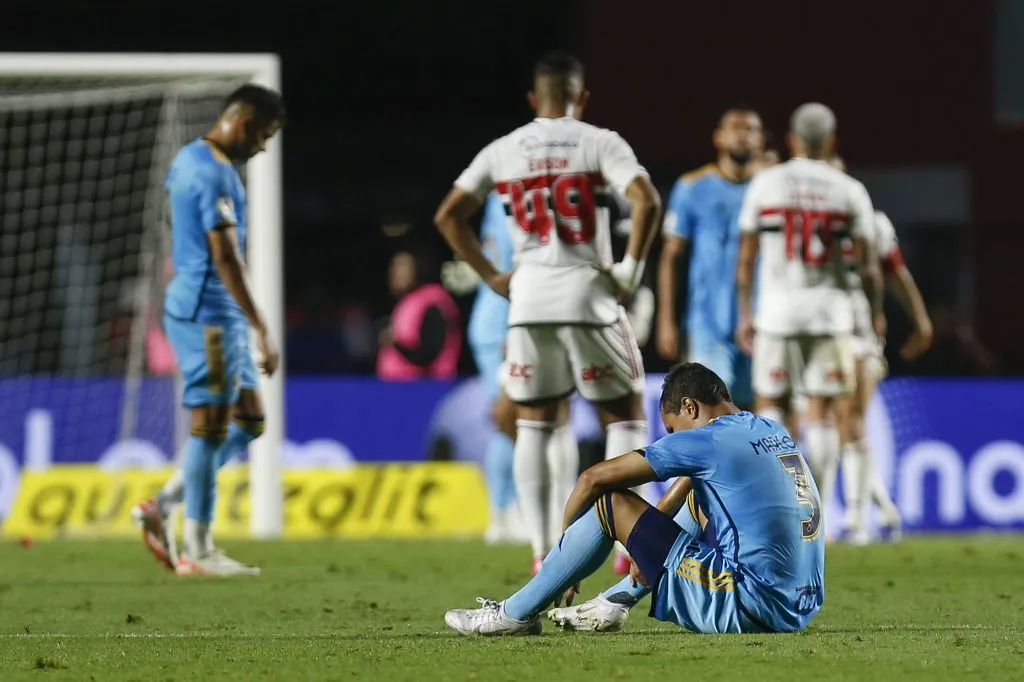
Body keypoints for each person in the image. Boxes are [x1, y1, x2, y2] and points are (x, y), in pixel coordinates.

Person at [434, 51, 661, 573]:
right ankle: (625, 547)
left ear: (533, 99)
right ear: (581, 97)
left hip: (529, 299)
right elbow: (646, 200)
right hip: (589, 294)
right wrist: (629, 269)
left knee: (535, 425)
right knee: (623, 414)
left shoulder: (504, 148)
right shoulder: (600, 141)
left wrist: (493, 276)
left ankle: (541, 551)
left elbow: (448, 215)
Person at [443, 362, 824, 636]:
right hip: (799, 605)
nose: (675, 437)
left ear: (690, 407)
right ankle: (614, 602)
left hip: (746, 606)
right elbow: (693, 483)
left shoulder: (707, 439)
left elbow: (592, 479)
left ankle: (513, 615)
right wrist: (646, 548)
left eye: (674, 429)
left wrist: (564, 565)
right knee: (699, 499)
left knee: (611, 503)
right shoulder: (768, 428)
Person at [130, 84, 286, 575]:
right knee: (212, 426)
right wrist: (262, 325)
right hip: (206, 314)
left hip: (217, 312)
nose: (263, 146)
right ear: (243, 123)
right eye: (264, 134)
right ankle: (198, 549)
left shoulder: (189, 159)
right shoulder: (214, 175)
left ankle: (165, 502)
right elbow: (224, 256)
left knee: (251, 420)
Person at [735, 103, 883, 539]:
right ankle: (820, 514)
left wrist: (746, 312)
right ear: (832, 142)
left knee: (771, 407)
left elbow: (746, 259)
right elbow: (871, 269)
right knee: (824, 413)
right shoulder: (849, 189)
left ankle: (776, 512)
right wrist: (872, 316)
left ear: (791, 138)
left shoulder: (766, 184)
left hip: (777, 315)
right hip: (831, 316)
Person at [828, 159, 932, 542]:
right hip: (822, 330)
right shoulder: (810, 221)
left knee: (850, 418)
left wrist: (920, 320)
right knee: (839, 424)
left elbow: (895, 274)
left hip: (861, 333)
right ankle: (880, 506)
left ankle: (857, 518)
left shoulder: (872, 222)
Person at [656, 108, 765, 408]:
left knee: (765, 413)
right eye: (735, 127)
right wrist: (665, 319)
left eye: (751, 128)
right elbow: (670, 256)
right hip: (707, 323)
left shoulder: (770, 187)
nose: (743, 134)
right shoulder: (692, 187)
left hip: (763, 319)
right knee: (710, 411)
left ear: (761, 140)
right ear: (718, 137)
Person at [376, 248, 462, 380]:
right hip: (397, 388)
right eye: (393, 266)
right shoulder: (405, 302)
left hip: (425, 390)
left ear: (418, 268)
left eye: (402, 266)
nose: (394, 272)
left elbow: (431, 351)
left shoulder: (432, 302)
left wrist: (396, 344)